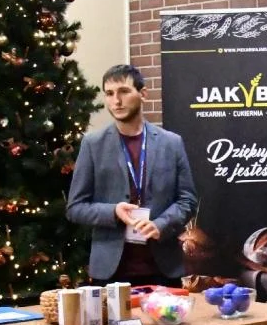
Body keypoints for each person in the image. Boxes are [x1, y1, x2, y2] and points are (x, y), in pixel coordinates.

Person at [67, 64, 198, 287]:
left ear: (143, 94)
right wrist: (113, 212)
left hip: (163, 269)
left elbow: (188, 200)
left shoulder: (171, 143)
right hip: (111, 272)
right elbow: (75, 208)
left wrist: (161, 224)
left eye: (124, 91)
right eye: (109, 94)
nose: (116, 101)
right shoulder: (93, 144)